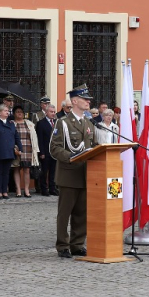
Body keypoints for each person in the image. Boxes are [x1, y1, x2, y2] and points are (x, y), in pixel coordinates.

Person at [50, 85, 97, 258]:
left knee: (81, 213)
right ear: (75, 101)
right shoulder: (62, 122)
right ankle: (63, 245)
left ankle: (77, 244)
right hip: (69, 174)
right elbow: (54, 148)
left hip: (86, 174)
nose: (88, 101)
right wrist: (71, 156)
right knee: (65, 213)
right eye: (85, 99)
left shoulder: (88, 123)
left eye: (88, 99)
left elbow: (95, 147)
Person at [0, 103, 22, 200]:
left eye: (8, 111)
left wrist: (20, 147)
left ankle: (4, 191)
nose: (7, 112)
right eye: (5, 111)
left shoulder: (11, 124)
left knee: (6, 172)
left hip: (9, 151)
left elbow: (16, 136)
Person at [11, 106, 39, 198]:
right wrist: (14, 148)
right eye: (17, 112)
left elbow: (34, 137)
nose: (20, 113)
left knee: (27, 169)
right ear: (14, 114)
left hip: (28, 149)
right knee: (16, 168)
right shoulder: (11, 123)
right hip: (16, 149)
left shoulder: (29, 123)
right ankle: (18, 189)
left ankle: (26, 189)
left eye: (21, 112)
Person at [36, 104, 58, 196]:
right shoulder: (41, 123)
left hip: (55, 152)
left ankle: (52, 188)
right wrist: (41, 152)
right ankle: (44, 189)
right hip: (45, 151)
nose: (53, 114)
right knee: (44, 172)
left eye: (54, 112)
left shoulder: (57, 122)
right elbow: (40, 139)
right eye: (51, 112)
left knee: (53, 172)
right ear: (46, 112)